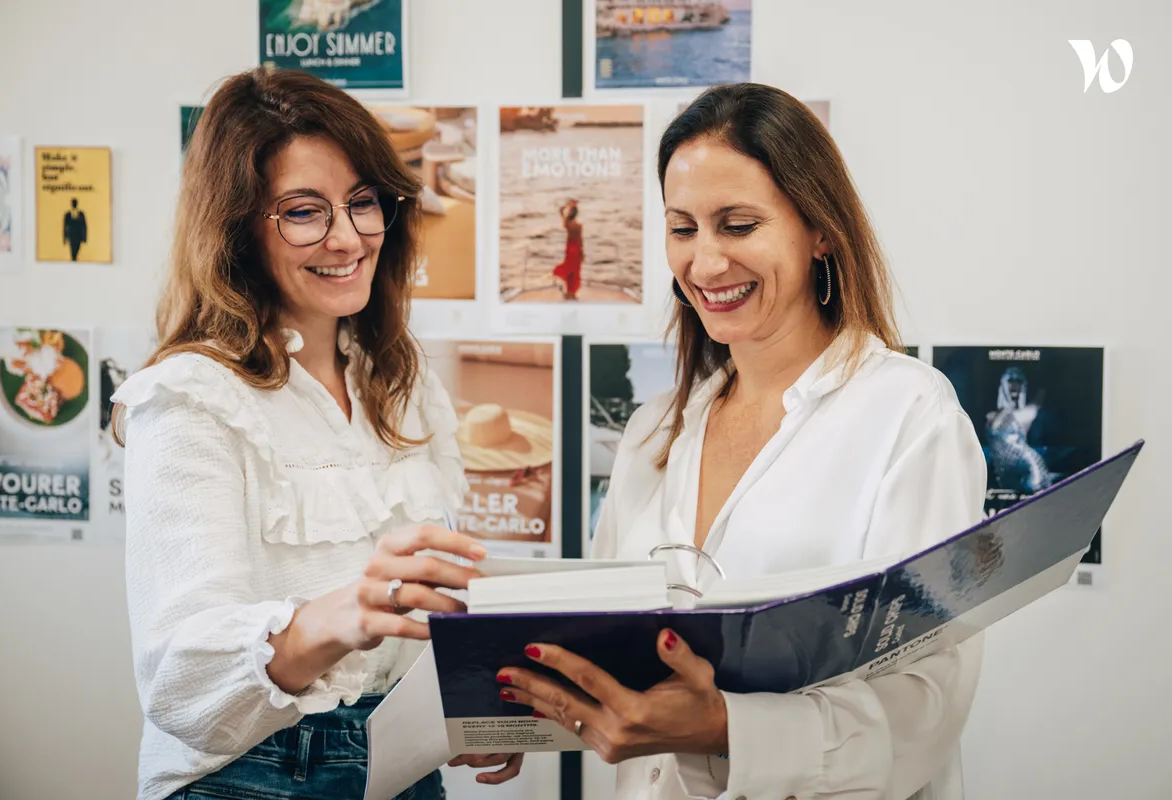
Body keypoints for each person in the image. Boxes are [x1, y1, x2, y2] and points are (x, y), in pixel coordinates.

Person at [495, 83, 988, 799]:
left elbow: (929, 705)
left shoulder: (909, 415)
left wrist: (728, 727)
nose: (705, 264)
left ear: (819, 229)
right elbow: (604, 649)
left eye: (738, 225)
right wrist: (526, 716)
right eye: (683, 228)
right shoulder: (652, 433)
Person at [111, 66, 520, 800]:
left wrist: (463, 707)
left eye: (362, 203)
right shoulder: (191, 397)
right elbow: (181, 685)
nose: (348, 237)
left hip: (400, 763)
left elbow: (415, 606)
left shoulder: (400, 381)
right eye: (305, 211)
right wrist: (340, 615)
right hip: (248, 776)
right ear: (238, 228)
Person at [552, 198, 584, 299]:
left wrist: (567, 205)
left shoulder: (568, 224)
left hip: (570, 248)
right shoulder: (578, 226)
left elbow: (561, 211)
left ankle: (569, 292)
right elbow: (580, 240)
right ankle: (572, 293)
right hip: (577, 248)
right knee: (575, 270)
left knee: (569, 269)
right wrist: (582, 253)